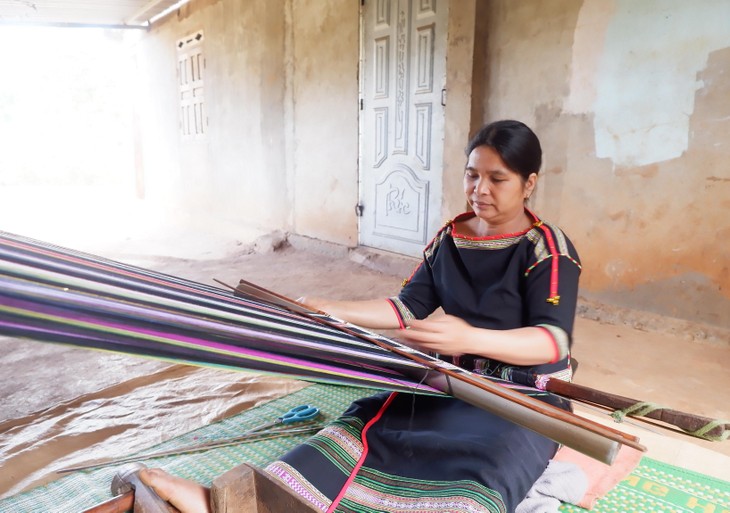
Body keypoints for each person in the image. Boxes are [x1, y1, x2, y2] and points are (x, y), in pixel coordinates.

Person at [140, 119, 582, 513]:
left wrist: (469, 338)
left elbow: (552, 341)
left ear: (528, 184)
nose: (479, 190)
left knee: (482, 467)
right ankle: (234, 504)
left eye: (497, 179)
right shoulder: (450, 238)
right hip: (455, 381)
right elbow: (407, 307)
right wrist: (332, 309)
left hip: (525, 397)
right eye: (472, 175)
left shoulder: (546, 248)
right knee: (361, 429)